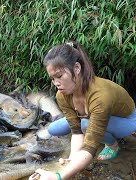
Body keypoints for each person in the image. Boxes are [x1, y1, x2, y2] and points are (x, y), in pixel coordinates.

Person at [29, 41, 136, 180]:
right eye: (53, 78)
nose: (56, 83)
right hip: (88, 116)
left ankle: (112, 145)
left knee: (86, 124)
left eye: (60, 76)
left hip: (127, 120)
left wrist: (59, 176)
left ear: (77, 68)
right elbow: (77, 131)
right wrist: (72, 158)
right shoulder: (62, 95)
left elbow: (90, 146)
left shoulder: (100, 96)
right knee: (54, 129)